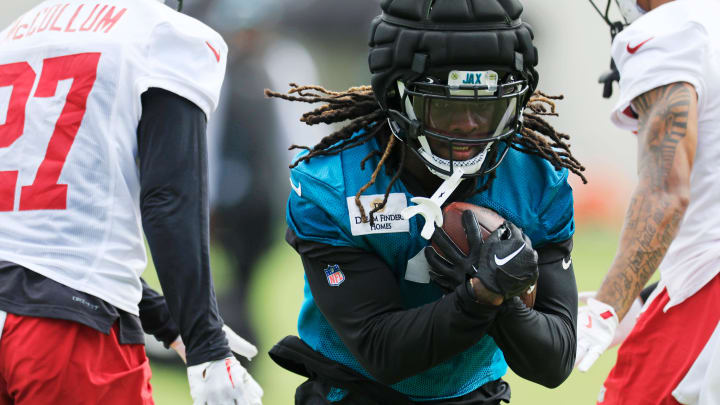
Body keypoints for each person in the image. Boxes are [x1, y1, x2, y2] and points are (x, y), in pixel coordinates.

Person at [265, 1, 587, 403]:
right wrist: (479, 298)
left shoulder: (537, 182)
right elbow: (382, 353)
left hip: (475, 394)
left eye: (487, 107)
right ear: (399, 99)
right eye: (448, 106)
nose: (468, 126)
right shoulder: (336, 188)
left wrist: (502, 299)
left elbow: (554, 362)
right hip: (353, 395)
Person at [0, 0, 262, 404]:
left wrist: (166, 317)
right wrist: (206, 341)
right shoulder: (162, 33)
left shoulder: (18, 32)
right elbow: (169, 198)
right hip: (68, 331)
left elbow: (46, 235)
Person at [576, 1, 720, 404]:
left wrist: (608, 307)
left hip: (707, 294)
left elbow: (666, 193)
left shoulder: (670, 35)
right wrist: (645, 296)